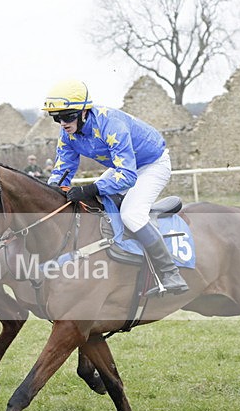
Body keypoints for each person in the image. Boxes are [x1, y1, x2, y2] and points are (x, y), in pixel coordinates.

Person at [42, 79, 188, 296]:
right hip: (122, 166)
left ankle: (170, 272)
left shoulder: (111, 124)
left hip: (151, 165)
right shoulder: (67, 133)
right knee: (95, 204)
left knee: (131, 214)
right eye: (57, 118)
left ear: (84, 112)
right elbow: (63, 168)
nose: (62, 123)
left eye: (67, 116)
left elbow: (128, 176)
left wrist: (90, 188)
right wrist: (52, 191)